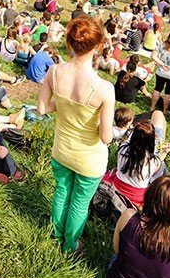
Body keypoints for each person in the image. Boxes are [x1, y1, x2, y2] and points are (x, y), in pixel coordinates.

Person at [38, 15, 116, 253]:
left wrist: (63, 104)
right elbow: (106, 137)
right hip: (89, 159)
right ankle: (70, 245)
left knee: (62, 191)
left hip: (61, 150)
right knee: (79, 203)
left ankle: (57, 233)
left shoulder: (54, 72)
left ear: (69, 43)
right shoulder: (104, 88)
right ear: (98, 45)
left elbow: (42, 108)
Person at [101, 112, 169, 208]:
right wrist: (165, 152)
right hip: (137, 197)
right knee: (158, 114)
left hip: (118, 186)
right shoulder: (152, 162)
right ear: (151, 142)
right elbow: (159, 160)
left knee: (157, 115)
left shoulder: (122, 149)